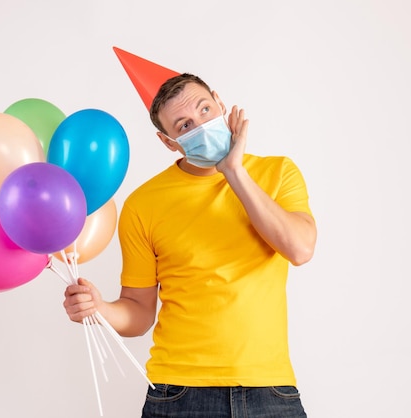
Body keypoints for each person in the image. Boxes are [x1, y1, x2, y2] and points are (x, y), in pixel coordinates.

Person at [64, 49, 317, 418]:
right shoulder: (143, 204)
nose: (199, 124)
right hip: (179, 394)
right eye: (183, 125)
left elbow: (300, 249)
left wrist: (235, 173)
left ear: (219, 102)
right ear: (168, 142)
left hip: (269, 390)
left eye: (203, 110)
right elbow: (138, 312)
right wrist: (99, 308)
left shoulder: (277, 173)